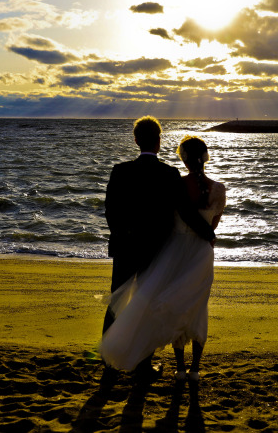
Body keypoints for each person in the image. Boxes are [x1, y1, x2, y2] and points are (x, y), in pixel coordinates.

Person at [100, 134, 226, 382]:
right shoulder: (177, 177)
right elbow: (200, 219)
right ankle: (168, 368)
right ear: (157, 142)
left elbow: (111, 209)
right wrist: (208, 235)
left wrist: (124, 234)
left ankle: (110, 360)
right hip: (177, 250)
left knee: (122, 299)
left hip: (144, 247)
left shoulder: (122, 170)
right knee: (175, 303)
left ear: (137, 140)